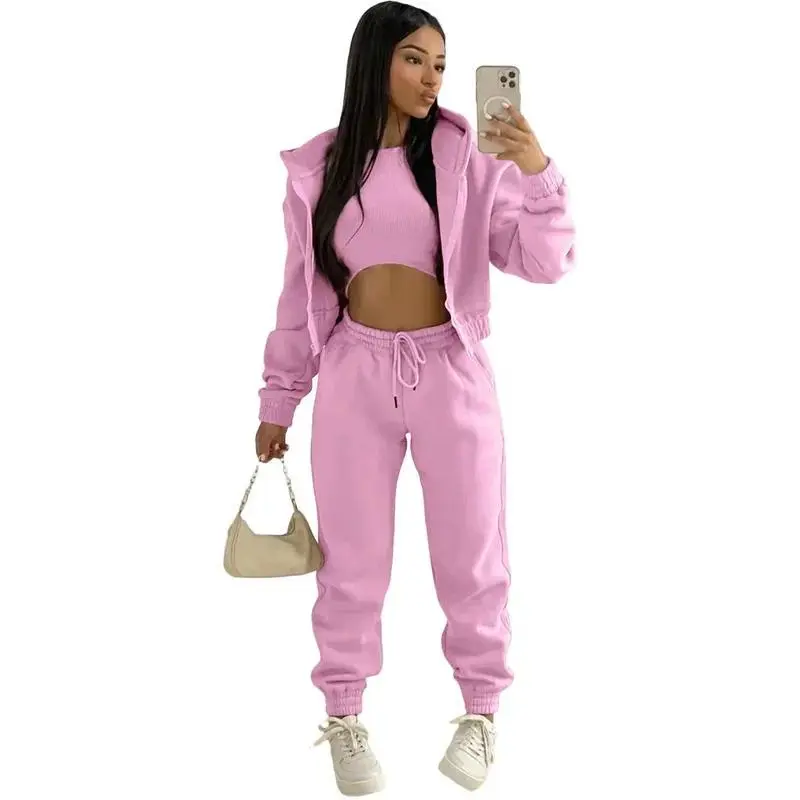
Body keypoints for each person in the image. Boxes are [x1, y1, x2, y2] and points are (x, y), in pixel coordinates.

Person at [254, 1, 575, 793]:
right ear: (374, 62)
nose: (433, 78)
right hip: (353, 375)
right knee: (351, 561)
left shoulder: (467, 156)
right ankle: (345, 714)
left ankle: (480, 714)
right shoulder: (321, 168)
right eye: (414, 59)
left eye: (440, 63)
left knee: (473, 554)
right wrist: (278, 399)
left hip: (449, 373)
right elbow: (298, 293)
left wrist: (536, 170)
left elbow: (543, 262)